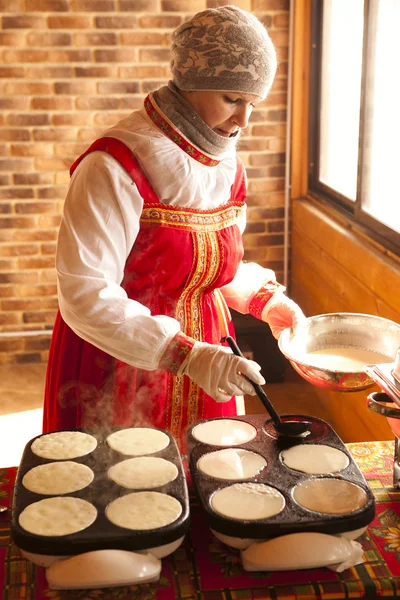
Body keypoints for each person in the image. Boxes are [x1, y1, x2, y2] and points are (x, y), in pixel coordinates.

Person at [43, 5, 305, 452]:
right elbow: (84, 294)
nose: (244, 120)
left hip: (212, 358)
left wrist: (266, 302)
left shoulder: (228, 165)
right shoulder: (114, 164)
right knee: (125, 487)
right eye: (231, 98)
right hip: (123, 353)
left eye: (253, 103)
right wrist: (185, 354)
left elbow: (207, 264)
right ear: (189, 82)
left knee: (211, 477)